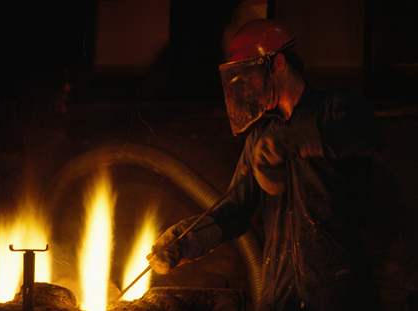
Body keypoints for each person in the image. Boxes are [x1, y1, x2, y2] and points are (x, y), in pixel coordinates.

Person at [147, 19, 374, 311]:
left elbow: (360, 137)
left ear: (277, 63)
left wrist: (294, 141)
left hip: (336, 290)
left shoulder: (336, 109)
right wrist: (185, 241)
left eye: (249, 75)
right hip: (280, 291)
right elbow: (236, 209)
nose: (245, 88)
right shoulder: (260, 135)